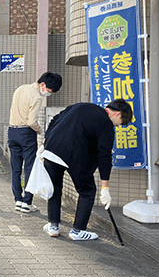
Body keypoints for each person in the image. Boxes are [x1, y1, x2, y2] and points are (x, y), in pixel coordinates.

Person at [42, 100, 132, 240]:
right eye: (120, 122)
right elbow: (104, 155)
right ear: (117, 114)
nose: (118, 126)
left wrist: (46, 139)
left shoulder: (81, 106)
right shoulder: (106, 123)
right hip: (75, 157)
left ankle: (53, 226)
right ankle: (78, 231)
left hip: (52, 151)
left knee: (54, 188)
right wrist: (105, 187)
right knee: (87, 191)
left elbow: (55, 119)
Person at [8, 72, 63, 214]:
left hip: (12, 131)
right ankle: (27, 202)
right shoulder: (37, 97)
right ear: (42, 84)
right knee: (29, 168)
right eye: (49, 90)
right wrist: (40, 131)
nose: (48, 93)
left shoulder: (20, 89)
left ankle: (18, 200)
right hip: (26, 133)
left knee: (15, 168)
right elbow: (31, 122)